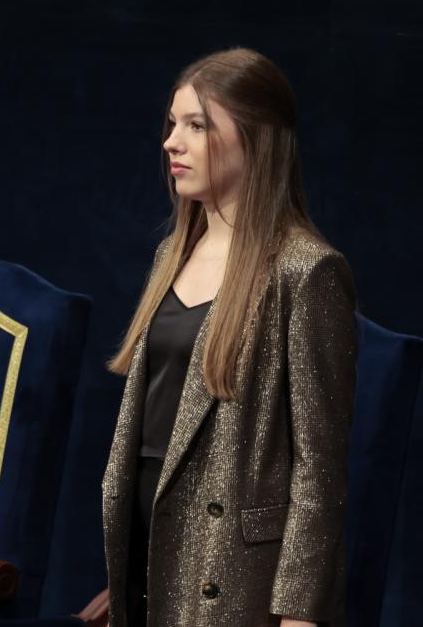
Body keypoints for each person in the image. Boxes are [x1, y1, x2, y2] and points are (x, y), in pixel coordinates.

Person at [101, 48, 357, 626]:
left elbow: (319, 465)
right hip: (146, 528)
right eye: (172, 123)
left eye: (197, 125)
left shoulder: (305, 270)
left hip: (231, 566)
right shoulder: (172, 253)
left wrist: (299, 612)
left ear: (255, 139)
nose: (172, 141)